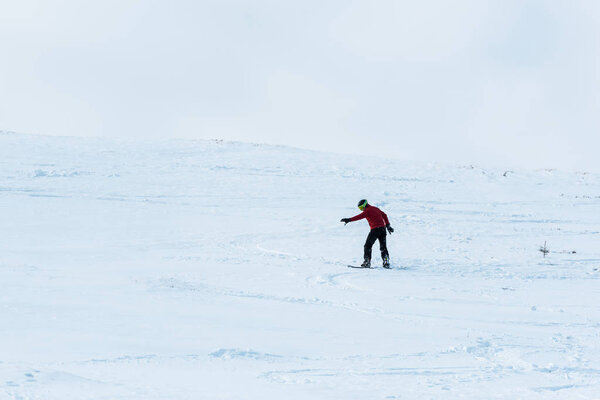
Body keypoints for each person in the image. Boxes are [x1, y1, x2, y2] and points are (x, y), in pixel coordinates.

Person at [341, 199, 394, 268]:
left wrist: (349, 219)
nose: (361, 209)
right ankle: (386, 262)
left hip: (375, 230)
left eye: (361, 207)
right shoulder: (376, 208)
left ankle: (367, 262)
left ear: (364, 205)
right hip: (383, 230)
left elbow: (359, 216)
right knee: (383, 247)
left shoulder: (367, 210)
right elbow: (384, 215)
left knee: (367, 246)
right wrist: (388, 225)